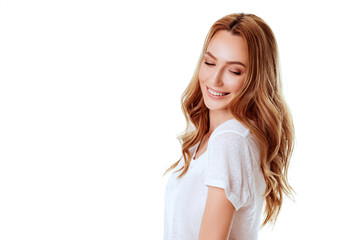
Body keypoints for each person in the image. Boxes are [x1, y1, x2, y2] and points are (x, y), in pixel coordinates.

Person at [163, 13, 294, 240]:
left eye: (234, 71)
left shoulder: (230, 139)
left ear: (256, 79)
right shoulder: (212, 138)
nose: (215, 79)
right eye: (210, 62)